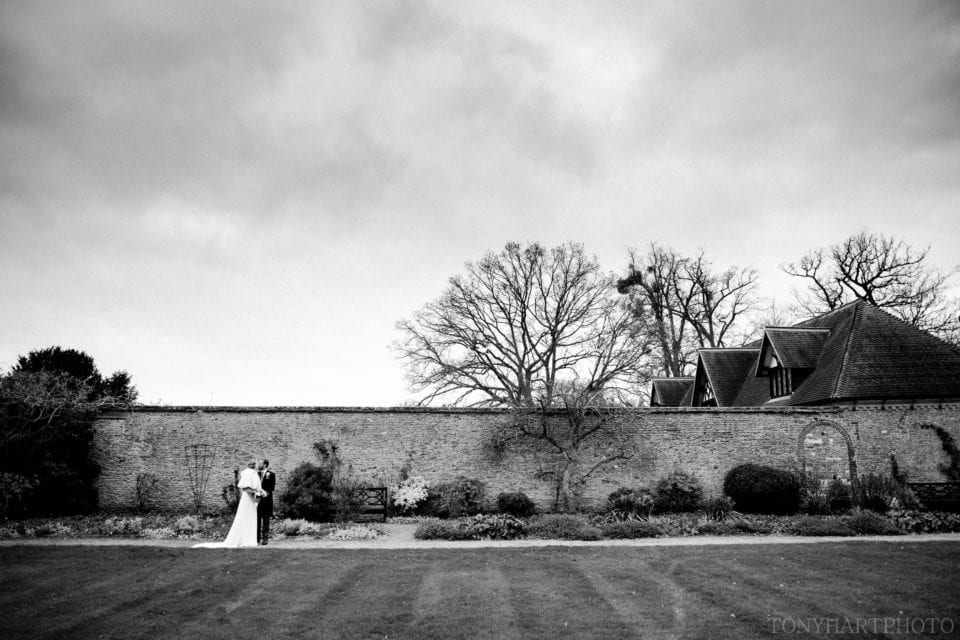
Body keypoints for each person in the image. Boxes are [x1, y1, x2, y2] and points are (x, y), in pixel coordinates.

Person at [193, 459, 262, 548]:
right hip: (247, 499)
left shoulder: (254, 473)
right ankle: (243, 539)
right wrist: (255, 495)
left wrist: (260, 492)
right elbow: (246, 488)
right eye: (256, 464)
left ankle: (249, 539)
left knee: (251, 517)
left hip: (251, 500)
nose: (257, 465)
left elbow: (255, 488)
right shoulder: (248, 473)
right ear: (253, 465)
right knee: (245, 517)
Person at [257, 459, 275, 546]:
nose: (259, 464)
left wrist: (264, 493)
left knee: (266, 521)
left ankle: (265, 539)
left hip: (267, 501)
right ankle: (256, 539)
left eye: (260, 463)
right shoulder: (256, 474)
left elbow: (272, 488)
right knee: (257, 520)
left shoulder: (271, 474)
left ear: (265, 465)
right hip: (257, 501)